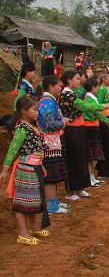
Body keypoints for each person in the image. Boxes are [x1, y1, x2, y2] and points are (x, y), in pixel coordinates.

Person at [0, 97, 51, 245]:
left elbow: (33, 150)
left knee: (33, 200)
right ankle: (23, 233)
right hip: (26, 168)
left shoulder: (30, 126)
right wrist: (5, 170)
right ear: (23, 111)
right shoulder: (22, 128)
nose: (37, 112)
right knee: (23, 201)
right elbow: (13, 149)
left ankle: (33, 228)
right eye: (34, 109)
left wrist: (40, 165)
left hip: (33, 167)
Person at [60, 70, 109, 201]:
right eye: (77, 78)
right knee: (74, 159)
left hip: (79, 128)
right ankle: (71, 191)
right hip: (72, 130)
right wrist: (103, 106)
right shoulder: (67, 94)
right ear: (69, 80)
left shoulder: (72, 93)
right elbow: (84, 106)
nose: (79, 80)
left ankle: (80, 188)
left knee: (81, 157)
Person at [38, 75, 70, 214]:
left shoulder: (49, 101)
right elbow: (50, 124)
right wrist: (64, 122)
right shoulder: (48, 102)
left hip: (53, 141)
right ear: (51, 87)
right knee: (51, 176)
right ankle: (51, 206)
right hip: (50, 142)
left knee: (53, 175)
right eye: (58, 85)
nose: (60, 87)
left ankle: (53, 203)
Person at [83, 78, 109, 187]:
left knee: (92, 155)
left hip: (94, 126)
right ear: (93, 88)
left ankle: (92, 177)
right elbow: (97, 112)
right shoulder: (89, 98)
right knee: (90, 155)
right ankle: (90, 177)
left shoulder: (92, 97)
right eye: (97, 87)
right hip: (90, 127)